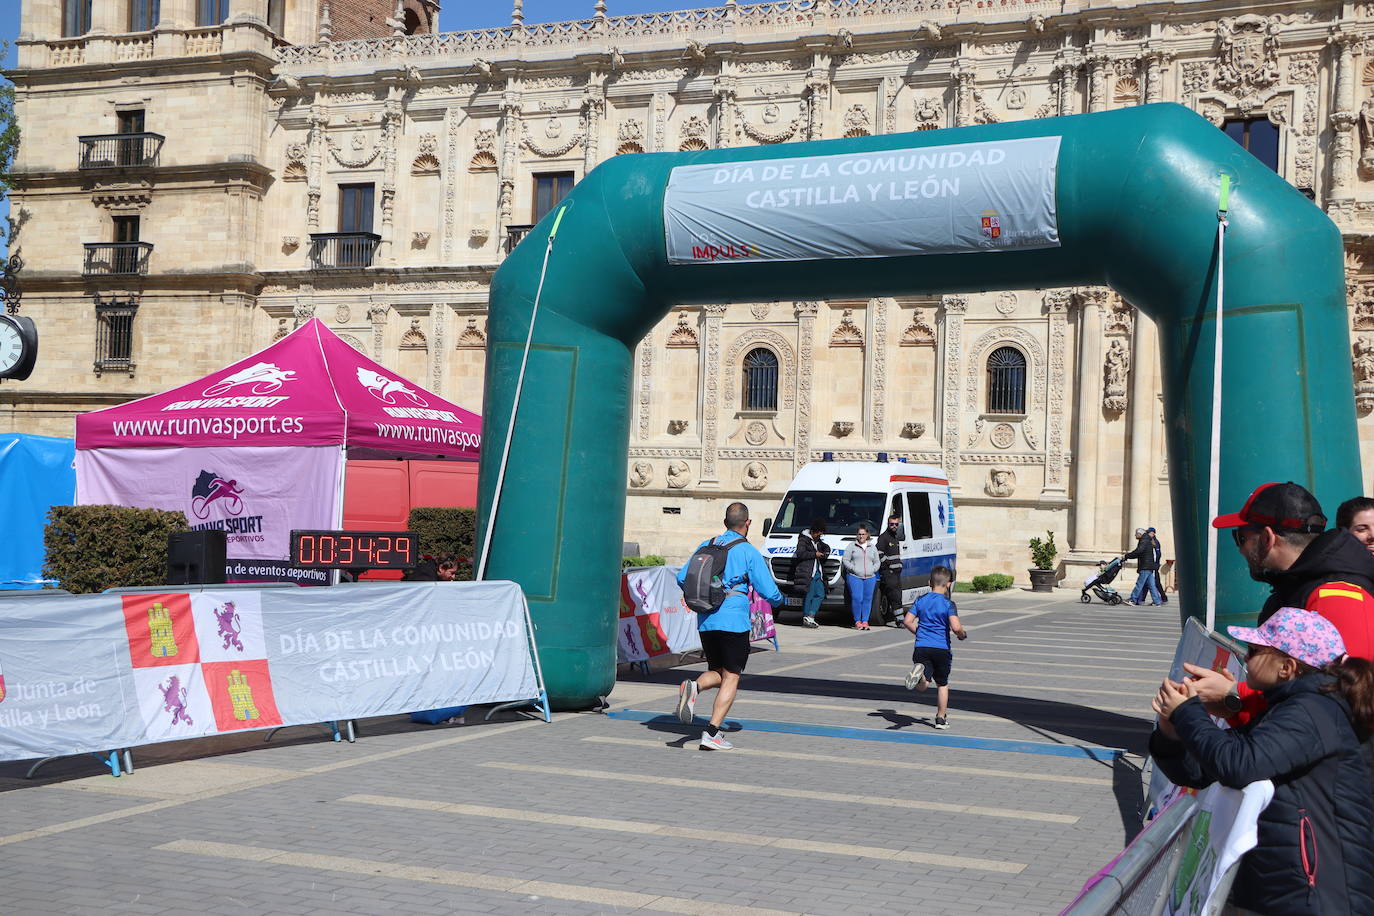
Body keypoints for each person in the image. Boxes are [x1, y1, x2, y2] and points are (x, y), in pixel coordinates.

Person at [1150, 608, 1374, 915]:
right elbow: (1202, 771)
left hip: (1317, 893)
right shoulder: (1289, 708)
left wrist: (1188, 712)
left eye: (1255, 651)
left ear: (1287, 667)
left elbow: (1240, 765)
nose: (1245, 657)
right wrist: (1170, 730)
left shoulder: (1312, 711)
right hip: (1289, 886)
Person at [675, 502, 783, 751]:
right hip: (733, 620)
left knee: (718, 671)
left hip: (706, 618)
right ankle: (711, 732)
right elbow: (768, 590)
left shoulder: (707, 545)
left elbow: (682, 577)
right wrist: (781, 600)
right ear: (748, 524)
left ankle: (694, 686)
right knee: (732, 675)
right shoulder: (747, 551)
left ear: (725, 523)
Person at [901, 565, 967, 730]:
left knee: (924, 684)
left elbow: (907, 621)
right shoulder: (948, 604)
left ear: (929, 582)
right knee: (942, 684)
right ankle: (940, 718)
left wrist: (919, 632)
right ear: (949, 584)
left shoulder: (920, 600)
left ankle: (922, 677)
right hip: (941, 648)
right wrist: (962, 635)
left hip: (922, 646)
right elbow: (956, 626)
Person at [792, 519, 831, 629]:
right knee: (809, 594)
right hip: (808, 572)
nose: (820, 536)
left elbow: (825, 546)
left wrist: (826, 551)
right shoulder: (803, 540)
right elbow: (800, 553)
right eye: (819, 533)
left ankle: (811, 615)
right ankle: (806, 616)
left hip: (818, 572)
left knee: (820, 594)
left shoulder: (817, 541)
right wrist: (815, 554)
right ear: (814, 531)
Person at [842, 523, 880, 630]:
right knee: (857, 598)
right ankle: (857, 620)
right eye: (859, 534)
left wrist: (872, 570)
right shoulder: (851, 546)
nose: (861, 536)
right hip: (855, 576)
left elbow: (877, 562)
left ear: (867, 535)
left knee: (868, 599)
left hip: (870, 577)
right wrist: (853, 569)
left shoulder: (872, 547)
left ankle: (865, 621)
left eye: (863, 534)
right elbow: (845, 560)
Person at [876, 514, 905, 626]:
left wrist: (899, 565)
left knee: (898, 594)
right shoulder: (884, 537)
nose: (894, 526)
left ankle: (898, 618)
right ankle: (900, 620)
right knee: (895, 596)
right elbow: (879, 553)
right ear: (888, 524)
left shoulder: (895, 537)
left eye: (896, 524)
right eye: (891, 524)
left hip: (896, 573)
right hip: (889, 573)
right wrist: (888, 565)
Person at [1124, 526, 1163, 606]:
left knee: (1139, 584)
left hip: (1145, 566)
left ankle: (1132, 599)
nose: (1135, 536)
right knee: (1152, 585)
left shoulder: (1144, 540)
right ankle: (1157, 601)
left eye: (1136, 534)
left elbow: (1139, 551)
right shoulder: (1147, 539)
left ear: (1140, 534)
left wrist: (1127, 556)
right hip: (1149, 566)